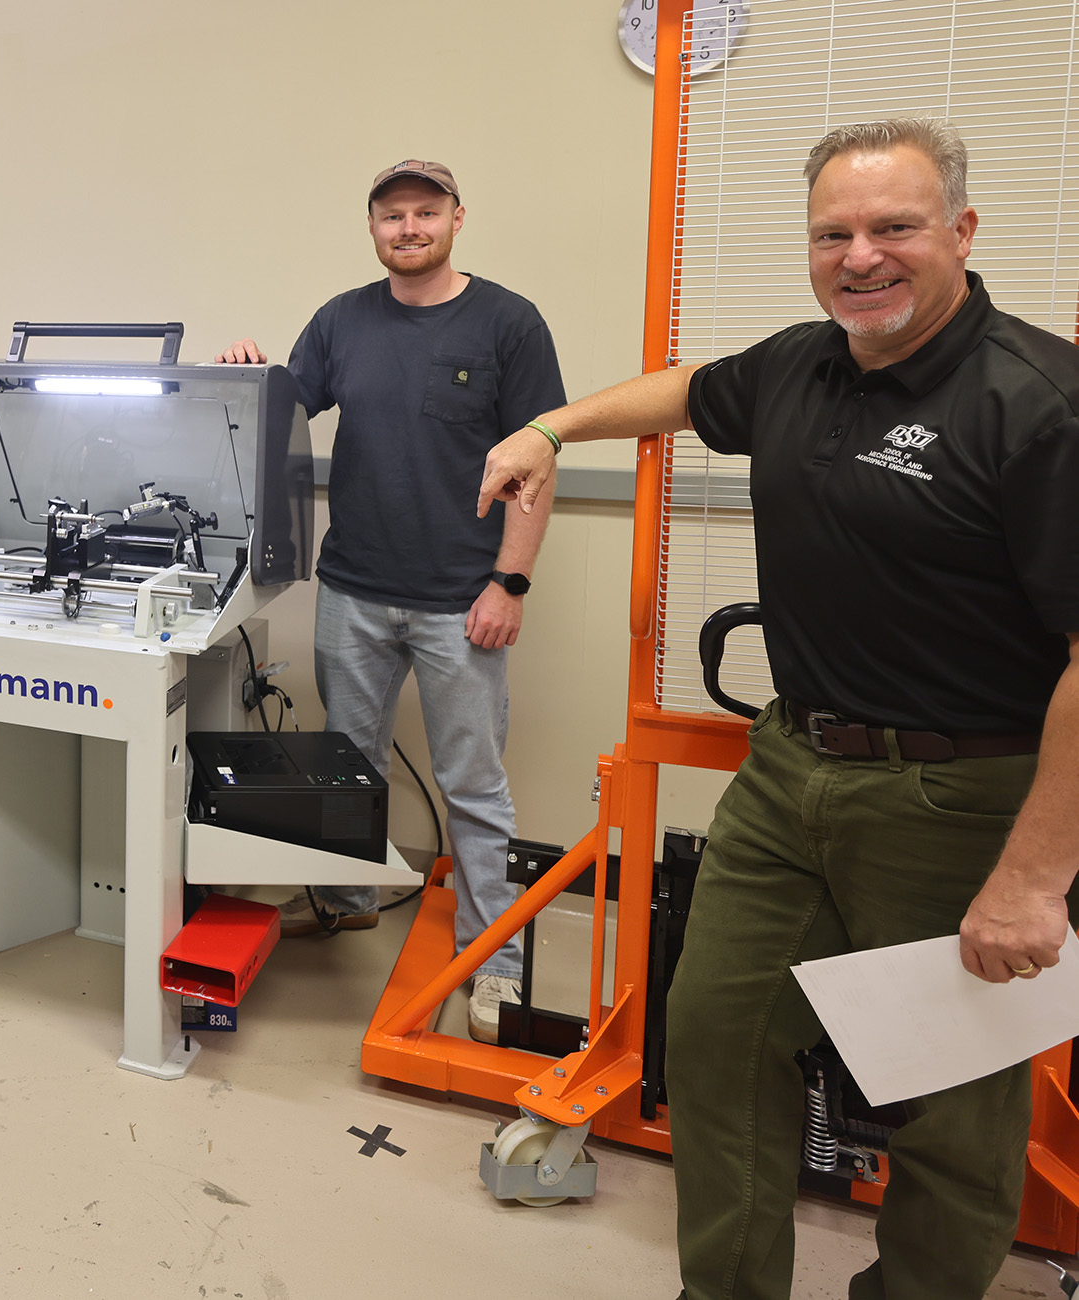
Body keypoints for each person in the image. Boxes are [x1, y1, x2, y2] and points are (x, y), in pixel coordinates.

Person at [479, 118, 1079, 1300]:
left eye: (894, 227)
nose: (861, 255)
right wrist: (548, 428)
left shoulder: (1038, 403)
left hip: (962, 796)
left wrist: (1031, 877)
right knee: (713, 1036)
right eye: (833, 233)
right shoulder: (802, 364)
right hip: (787, 765)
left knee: (949, 1103)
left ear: (959, 232)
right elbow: (685, 390)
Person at [217, 159, 566, 1041]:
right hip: (356, 590)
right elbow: (285, 411)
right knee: (345, 760)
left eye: (424, 213)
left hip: (463, 601)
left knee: (475, 790)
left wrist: (509, 584)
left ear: (456, 218)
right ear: (372, 229)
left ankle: (498, 970)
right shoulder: (341, 320)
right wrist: (252, 372)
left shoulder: (508, 323)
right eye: (391, 217)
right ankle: (341, 900)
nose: (408, 229)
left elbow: (538, 464)